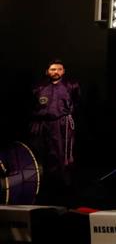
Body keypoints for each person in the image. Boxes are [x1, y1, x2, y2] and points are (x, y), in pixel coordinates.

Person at [28, 59, 81, 197]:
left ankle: (63, 186)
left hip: (61, 124)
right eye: (52, 69)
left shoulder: (71, 85)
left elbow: (77, 102)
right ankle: (42, 185)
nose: (56, 72)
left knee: (61, 155)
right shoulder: (38, 87)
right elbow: (32, 105)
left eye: (59, 69)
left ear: (63, 71)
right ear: (47, 71)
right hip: (41, 124)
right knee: (41, 153)